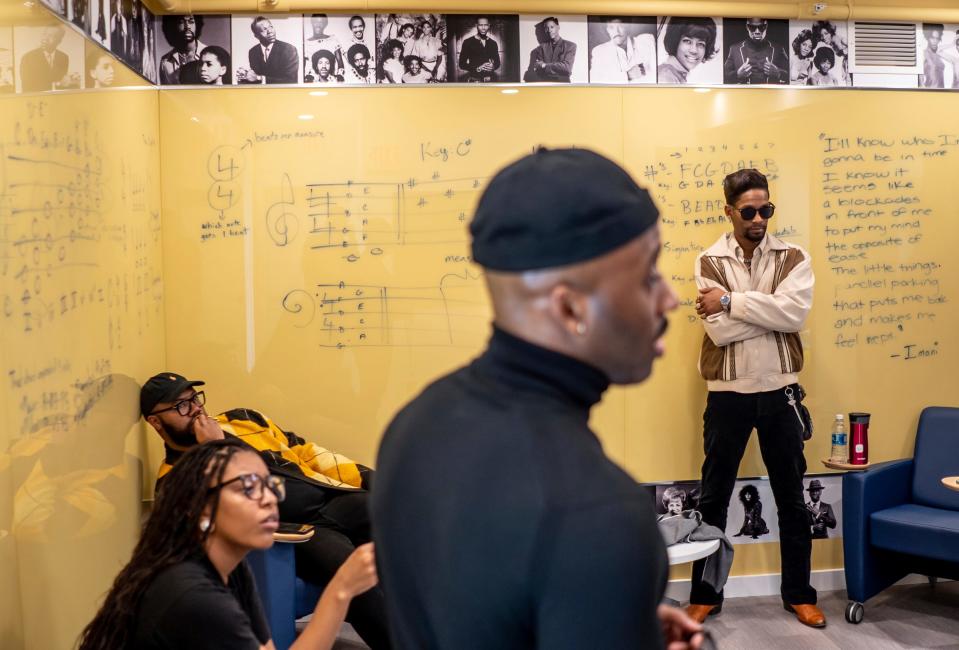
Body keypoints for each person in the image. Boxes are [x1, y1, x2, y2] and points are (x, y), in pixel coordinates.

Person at [372, 148, 704, 649]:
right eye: (649, 275)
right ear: (570, 308)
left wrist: (606, 613)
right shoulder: (597, 514)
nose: (670, 298)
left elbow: (477, 599)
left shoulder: (414, 424)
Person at [139, 372, 390, 648]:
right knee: (347, 567)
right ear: (155, 421)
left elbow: (305, 451)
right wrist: (214, 446)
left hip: (329, 497)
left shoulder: (243, 419)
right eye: (181, 406)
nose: (196, 409)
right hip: (295, 531)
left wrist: (370, 478)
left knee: (402, 518)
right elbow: (220, 525)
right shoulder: (174, 479)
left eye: (194, 399)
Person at [77, 438, 379, 650]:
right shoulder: (192, 596)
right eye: (247, 487)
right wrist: (341, 590)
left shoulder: (231, 568)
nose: (268, 499)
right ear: (201, 507)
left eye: (269, 485)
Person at [689, 168, 821, 628]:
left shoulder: (794, 257)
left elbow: (796, 313)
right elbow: (718, 331)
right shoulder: (708, 261)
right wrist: (765, 311)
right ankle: (706, 594)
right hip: (727, 395)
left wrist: (730, 301)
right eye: (749, 211)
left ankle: (799, 594)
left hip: (781, 391)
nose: (760, 218)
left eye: (766, 209)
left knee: (792, 497)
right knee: (713, 498)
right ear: (729, 212)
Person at [723, 18, 789, 85]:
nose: (757, 31)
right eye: (752, 27)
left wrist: (778, 73)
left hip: (770, 94)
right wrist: (737, 74)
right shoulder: (735, 49)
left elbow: (792, 75)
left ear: (766, 26)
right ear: (747, 27)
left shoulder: (778, 49)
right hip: (744, 94)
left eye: (761, 27)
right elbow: (723, 76)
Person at [590, 17, 656, 83]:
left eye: (620, 26)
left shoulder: (646, 41)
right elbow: (595, 81)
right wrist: (628, 75)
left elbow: (658, 72)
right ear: (607, 30)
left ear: (628, 26)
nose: (617, 32)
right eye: (611, 27)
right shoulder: (599, 51)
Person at [237, 16, 298, 84]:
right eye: (264, 29)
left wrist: (259, 78)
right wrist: (246, 75)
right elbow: (254, 79)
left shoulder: (289, 49)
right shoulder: (253, 52)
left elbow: (291, 81)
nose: (270, 31)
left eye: (271, 27)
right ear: (256, 36)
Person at [657, 17, 717, 84]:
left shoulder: (675, 74)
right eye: (687, 41)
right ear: (675, 41)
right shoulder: (665, 76)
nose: (694, 50)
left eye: (700, 44)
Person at [19, 25, 77, 92]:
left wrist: (70, 81)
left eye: (51, 36)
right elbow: (26, 87)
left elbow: (61, 84)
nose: (45, 38)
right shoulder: (28, 58)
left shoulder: (64, 58)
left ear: (59, 41)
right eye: (44, 34)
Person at [523, 16, 576, 83]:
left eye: (552, 27)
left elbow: (567, 69)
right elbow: (539, 70)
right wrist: (559, 67)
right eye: (546, 28)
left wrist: (544, 65)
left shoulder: (570, 46)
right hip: (545, 84)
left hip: (563, 85)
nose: (549, 30)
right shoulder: (541, 48)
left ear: (558, 27)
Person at [158, 15, 206, 85]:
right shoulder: (165, 62)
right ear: (174, 26)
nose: (187, 26)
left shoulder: (210, 55)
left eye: (191, 22)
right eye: (181, 22)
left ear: (197, 25)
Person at [457, 16, 500, 82]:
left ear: (489, 26)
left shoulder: (493, 43)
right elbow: (461, 64)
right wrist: (477, 68)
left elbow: (497, 62)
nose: (483, 28)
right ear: (476, 25)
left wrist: (493, 66)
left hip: (490, 81)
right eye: (480, 25)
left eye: (485, 25)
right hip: (474, 81)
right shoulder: (467, 42)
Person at [305, 14, 344, 81]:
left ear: (325, 24)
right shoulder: (306, 43)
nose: (318, 25)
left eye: (321, 22)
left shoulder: (333, 40)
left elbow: (340, 62)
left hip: (330, 81)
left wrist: (339, 76)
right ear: (312, 22)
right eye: (315, 22)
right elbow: (303, 66)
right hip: (312, 81)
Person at [922, 23, 946, 88]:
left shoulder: (939, 54)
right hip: (930, 92)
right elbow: (920, 80)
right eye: (932, 38)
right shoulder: (924, 54)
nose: (935, 41)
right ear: (927, 38)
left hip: (942, 92)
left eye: (937, 38)